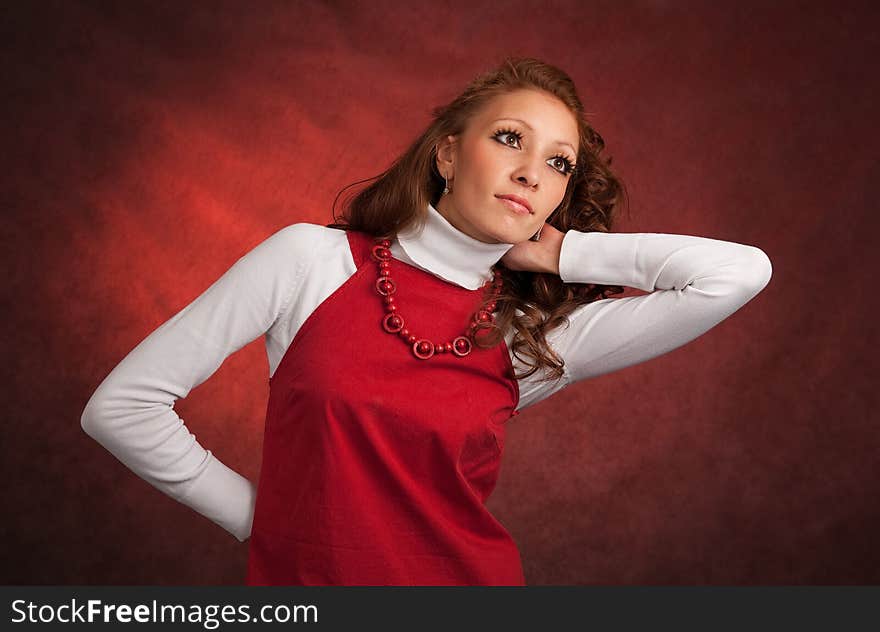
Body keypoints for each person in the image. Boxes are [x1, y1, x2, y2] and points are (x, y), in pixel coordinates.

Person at [80, 57, 772, 585]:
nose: (532, 173)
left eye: (558, 164)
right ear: (446, 153)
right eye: (510, 139)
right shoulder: (312, 262)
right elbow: (124, 407)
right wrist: (261, 520)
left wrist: (567, 251)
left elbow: (738, 274)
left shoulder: (530, 333)